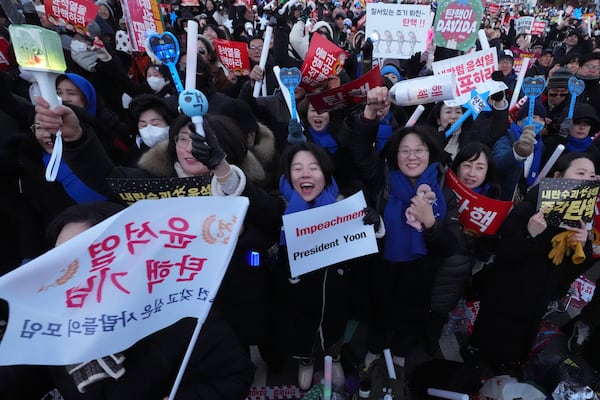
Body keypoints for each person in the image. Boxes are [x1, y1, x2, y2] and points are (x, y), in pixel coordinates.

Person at [0, 201, 256, 400]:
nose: (70, 271)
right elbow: (19, 377)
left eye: (83, 257)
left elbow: (234, 374)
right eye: (62, 259)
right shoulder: (51, 321)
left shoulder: (178, 313)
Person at [345, 86, 460, 389]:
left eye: (419, 150)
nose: (412, 157)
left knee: (408, 316)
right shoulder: (382, 179)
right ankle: (373, 350)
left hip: (420, 270)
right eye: (405, 151)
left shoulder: (444, 190)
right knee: (378, 310)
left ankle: (398, 354)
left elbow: (450, 246)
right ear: (395, 156)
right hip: (382, 263)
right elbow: (358, 149)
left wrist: (431, 223)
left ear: (430, 153)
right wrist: (369, 114)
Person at [468, 153, 598, 376]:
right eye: (580, 173)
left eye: (591, 176)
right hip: (508, 288)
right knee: (493, 330)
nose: (586, 180)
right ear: (558, 177)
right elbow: (503, 251)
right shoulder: (529, 208)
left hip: (541, 294)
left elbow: (575, 267)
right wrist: (530, 234)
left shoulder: (579, 220)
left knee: (520, 338)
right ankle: (476, 353)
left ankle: (509, 361)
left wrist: (583, 246)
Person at [275, 142, 382, 391]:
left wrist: (372, 226)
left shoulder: (346, 208)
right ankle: (306, 360)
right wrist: (262, 256)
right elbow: (255, 258)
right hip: (297, 294)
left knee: (336, 325)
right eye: (297, 168)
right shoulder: (278, 209)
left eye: (313, 167)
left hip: (337, 289)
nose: (305, 174)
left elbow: (366, 258)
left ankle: (333, 357)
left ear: (325, 173)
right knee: (302, 328)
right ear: (288, 176)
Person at [492, 100, 547, 201]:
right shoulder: (507, 137)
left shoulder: (540, 146)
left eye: (541, 119)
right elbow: (497, 163)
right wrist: (517, 153)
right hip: (502, 198)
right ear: (519, 121)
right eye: (533, 117)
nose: (537, 122)